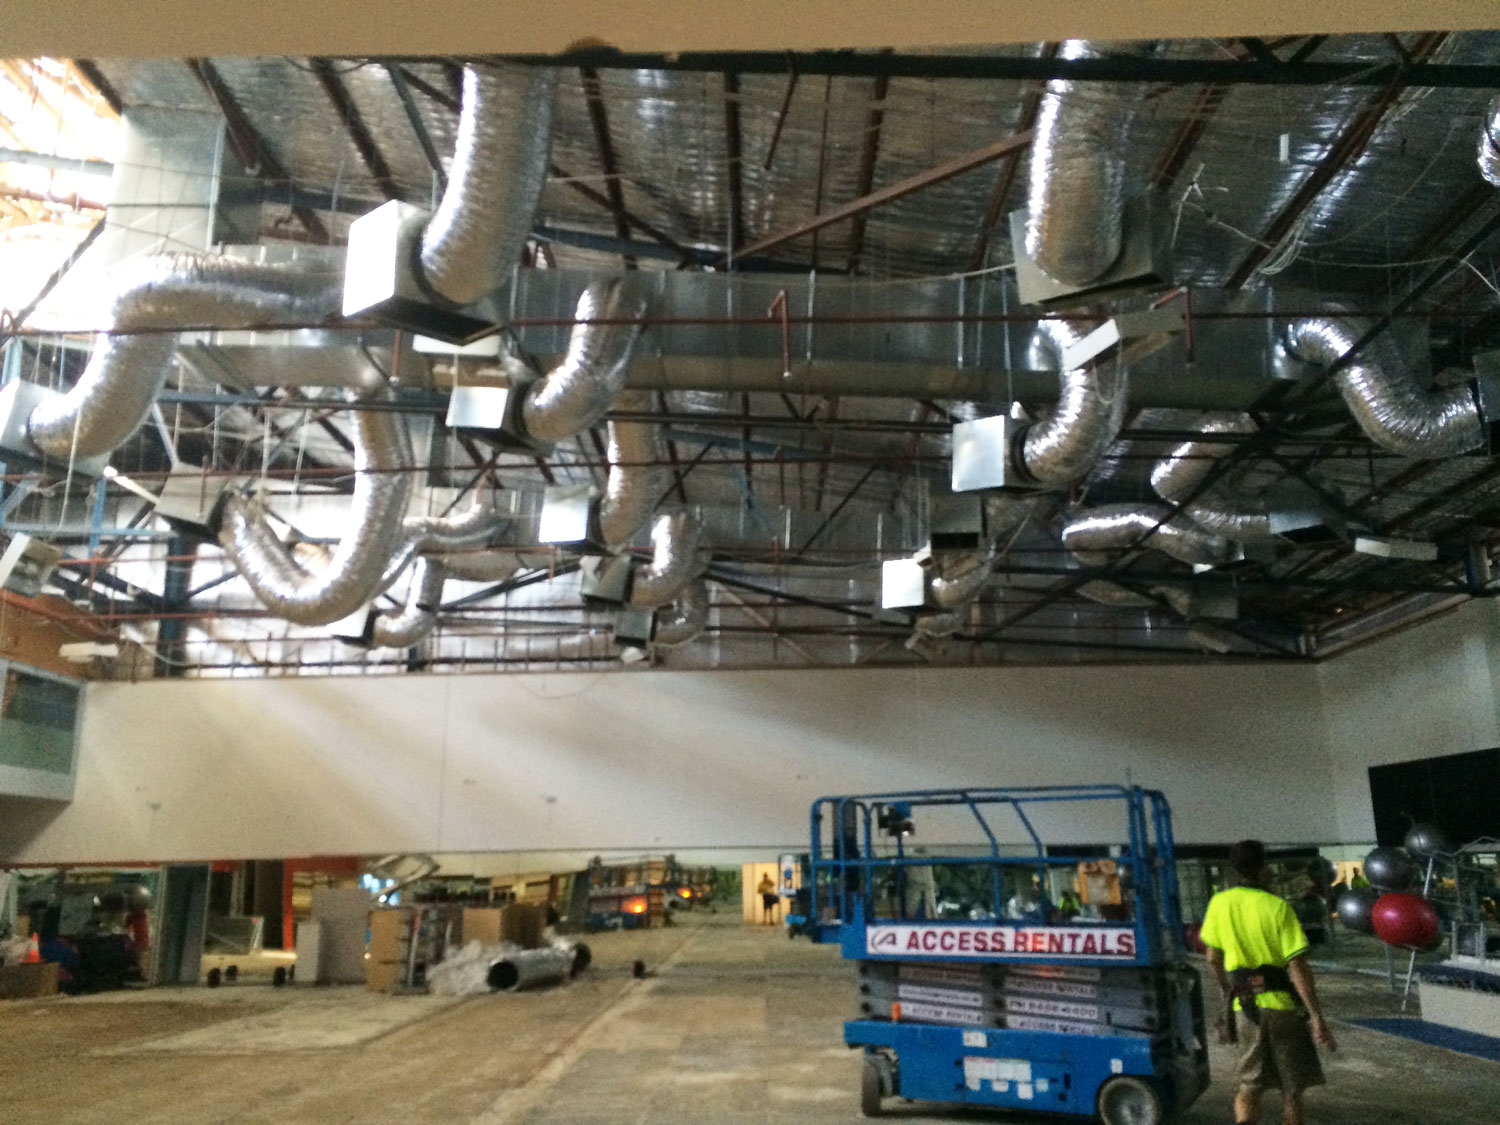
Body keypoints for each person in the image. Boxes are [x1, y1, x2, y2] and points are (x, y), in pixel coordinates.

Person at [1200, 840, 1337, 1125]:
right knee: (1292, 1089)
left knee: (1250, 1085)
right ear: (1264, 868)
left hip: (1245, 1007)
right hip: (1282, 1008)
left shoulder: (1219, 903)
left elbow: (1212, 957)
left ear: (1233, 868)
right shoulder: (1277, 907)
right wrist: (1316, 1017)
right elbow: (1297, 965)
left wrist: (1227, 989)